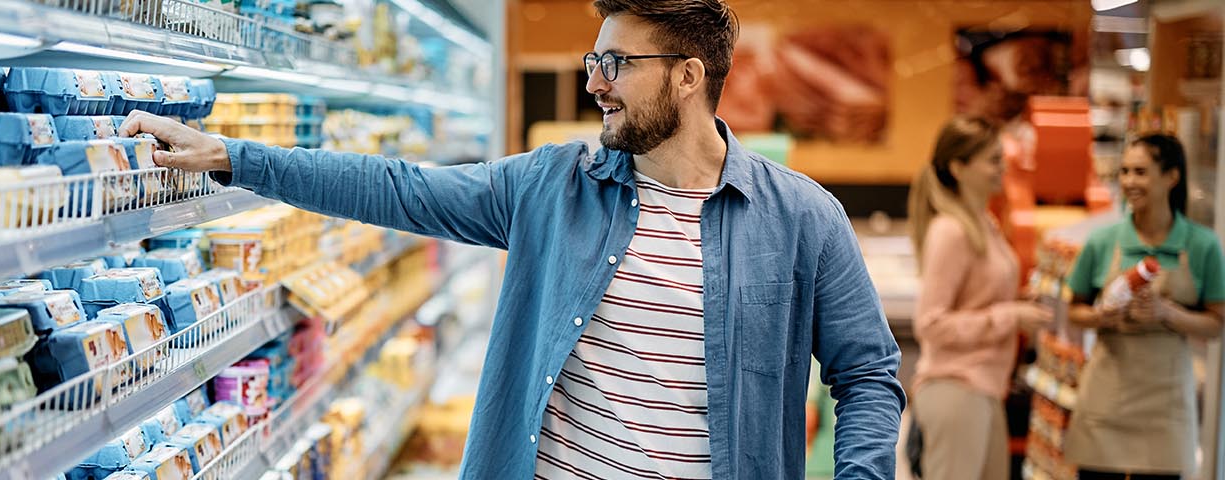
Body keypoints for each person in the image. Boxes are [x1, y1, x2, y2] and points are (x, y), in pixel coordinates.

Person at [121, 0, 906, 477]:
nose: (593, 81)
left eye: (615, 62)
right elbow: (399, 186)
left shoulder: (803, 218)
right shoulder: (552, 186)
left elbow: (867, 373)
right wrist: (233, 156)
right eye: (592, 60)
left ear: (688, 76)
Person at [1062, 134, 1225, 480]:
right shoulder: (1102, 241)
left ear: (1171, 177)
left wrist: (1168, 313)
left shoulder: (1202, 245)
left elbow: (1217, 324)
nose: (1128, 182)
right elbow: (1073, 310)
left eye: (1140, 172)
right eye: (1124, 172)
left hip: (1165, 405)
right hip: (1106, 398)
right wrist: (1099, 316)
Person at [905, 116, 1053, 480]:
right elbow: (930, 324)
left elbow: (978, 300)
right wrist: (1010, 315)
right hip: (956, 389)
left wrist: (1022, 300)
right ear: (959, 167)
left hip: (985, 389)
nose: (1003, 168)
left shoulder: (984, 223)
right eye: (993, 160)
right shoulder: (951, 231)